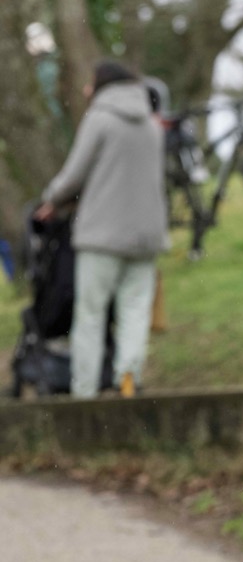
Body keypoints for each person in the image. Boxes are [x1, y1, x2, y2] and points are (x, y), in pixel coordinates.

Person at [35, 60, 169, 399]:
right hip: (146, 236)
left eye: (89, 82)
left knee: (91, 315)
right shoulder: (152, 125)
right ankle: (128, 383)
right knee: (135, 311)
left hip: (103, 235)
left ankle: (85, 392)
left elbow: (74, 174)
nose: (85, 89)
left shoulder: (99, 119)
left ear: (102, 85)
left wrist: (51, 199)